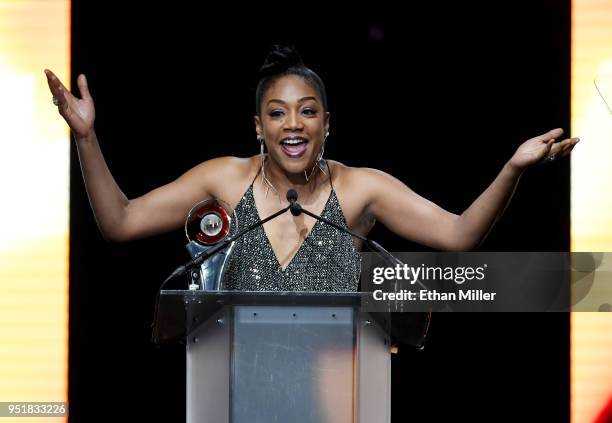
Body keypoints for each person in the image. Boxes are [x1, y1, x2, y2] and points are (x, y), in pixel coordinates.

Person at [44, 45, 579, 292]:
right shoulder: (225, 180)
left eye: (308, 111)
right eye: (277, 113)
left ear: (327, 123)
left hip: (339, 390)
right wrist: (86, 138)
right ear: (258, 126)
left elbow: (459, 236)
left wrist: (513, 168)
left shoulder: (362, 188)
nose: (292, 125)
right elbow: (120, 222)